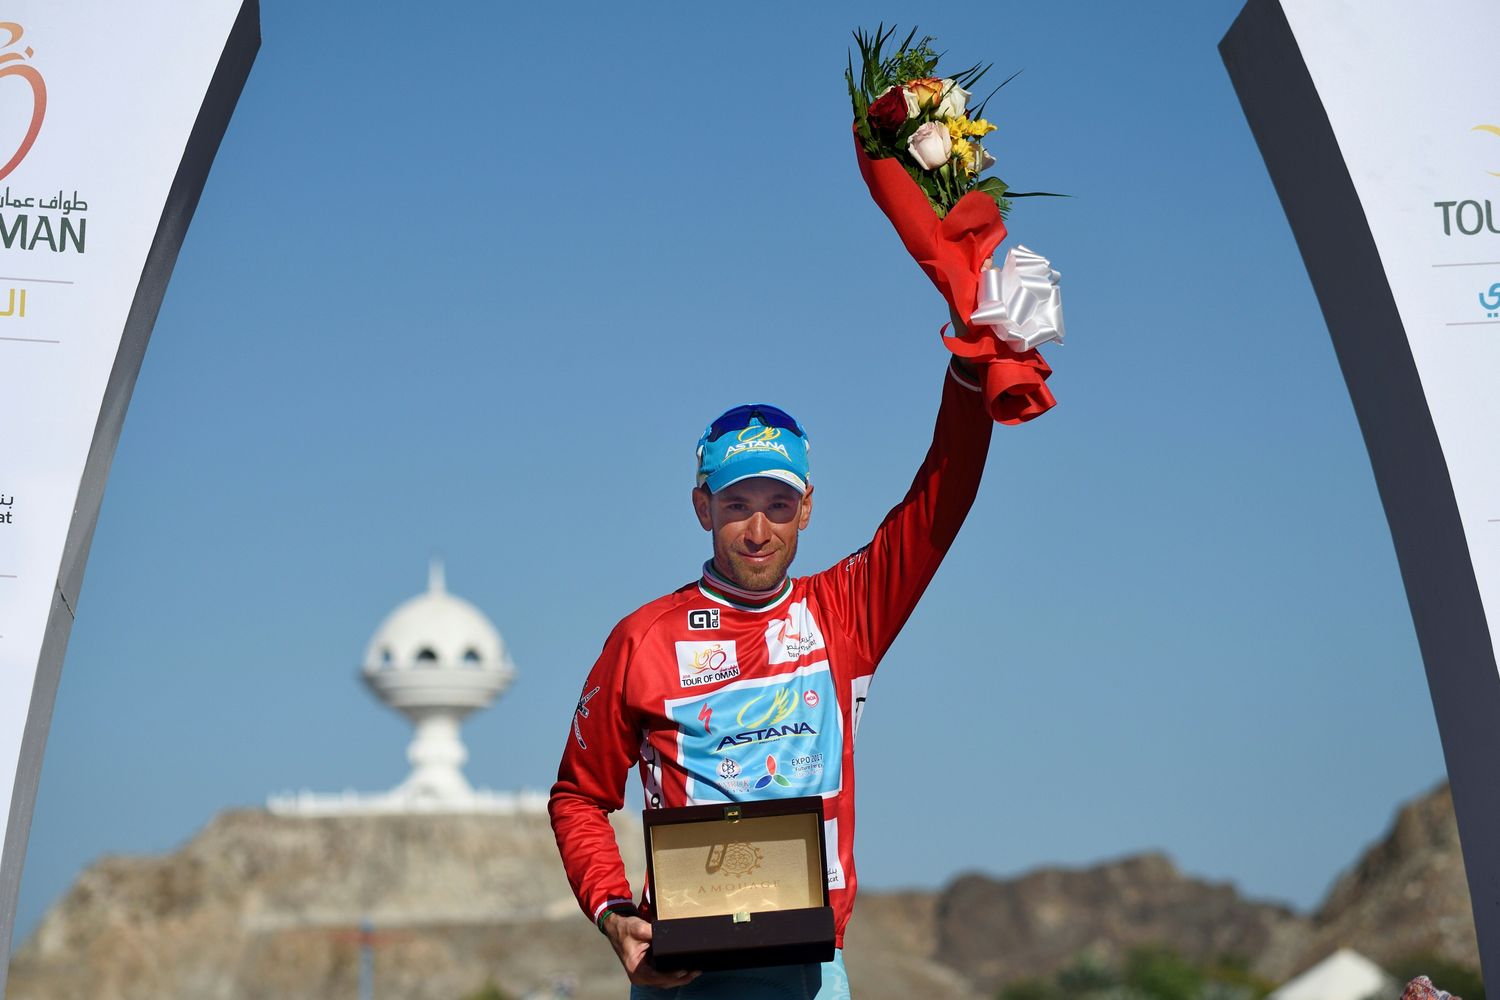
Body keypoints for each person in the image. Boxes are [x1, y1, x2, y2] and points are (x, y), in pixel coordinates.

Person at [549, 345, 994, 998]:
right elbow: (579, 797)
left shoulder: (846, 612)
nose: (758, 530)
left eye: (779, 505)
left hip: (810, 975)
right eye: (737, 505)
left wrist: (972, 367)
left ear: (806, 507)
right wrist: (614, 914)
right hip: (683, 977)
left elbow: (942, 497)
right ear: (703, 507)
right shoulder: (642, 639)